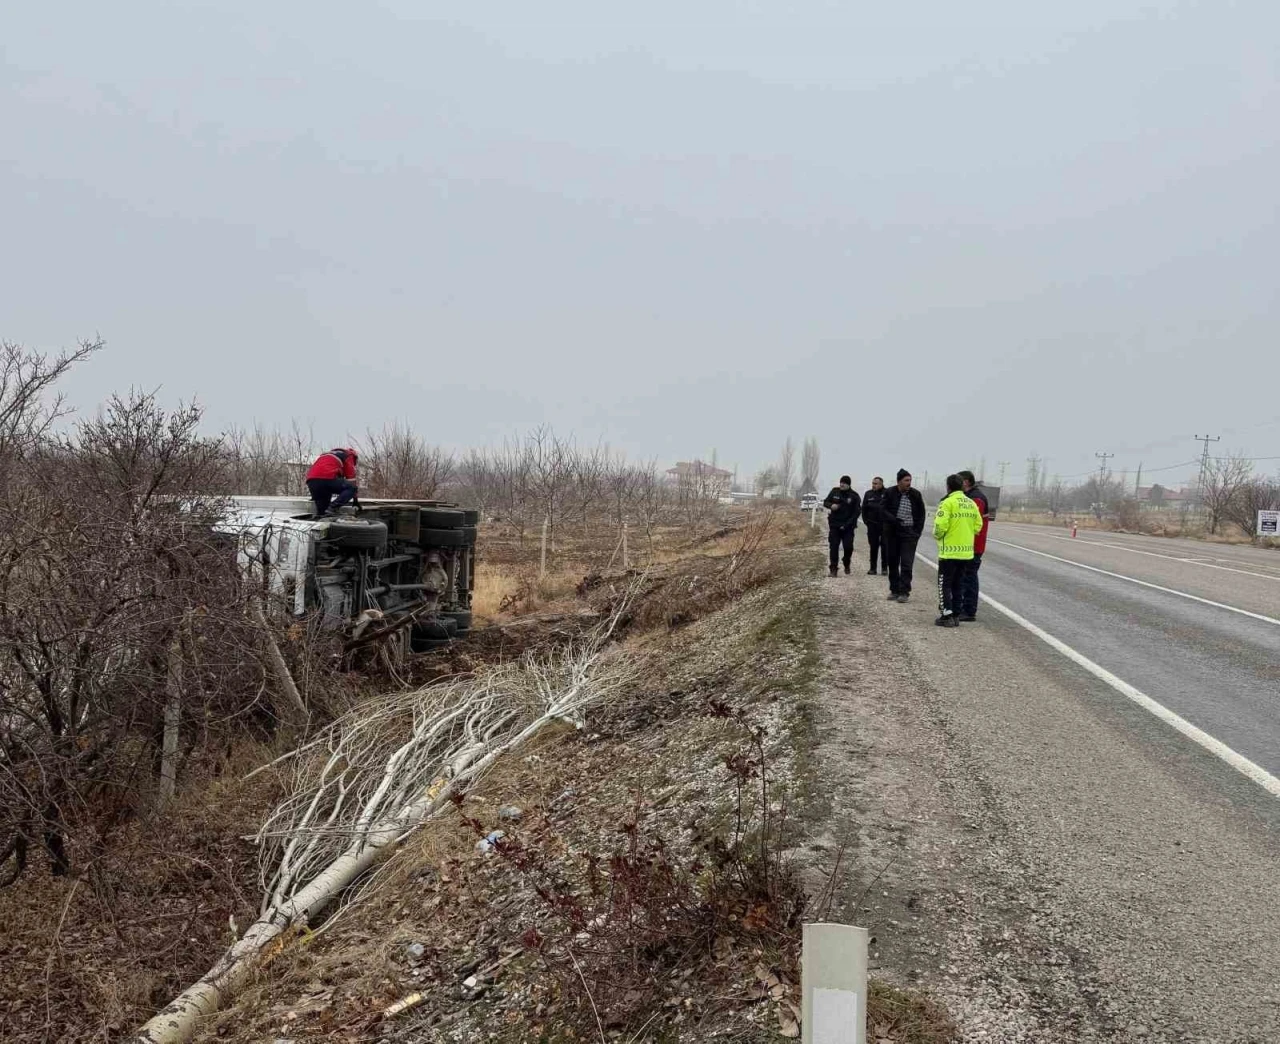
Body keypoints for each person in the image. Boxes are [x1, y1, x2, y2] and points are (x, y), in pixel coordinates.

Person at [933, 474, 983, 627]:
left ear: (948, 487)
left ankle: (946, 615)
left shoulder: (947, 503)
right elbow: (978, 526)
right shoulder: (971, 503)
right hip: (966, 552)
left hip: (949, 552)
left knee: (944, 584)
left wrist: (938, 535)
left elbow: (940, 526)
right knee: (958, 584)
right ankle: (955, 614)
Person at [880, 469, 925, 602]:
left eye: (910, 480)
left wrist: (917, 532)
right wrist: (894, 520)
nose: (909, 483)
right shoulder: (889, 493)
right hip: (892, 533)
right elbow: (882, 510)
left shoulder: (916, 494)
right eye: (906, 480)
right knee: (893, 562)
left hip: (909, 534)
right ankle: (894, 590)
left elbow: (921, 514)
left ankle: (904, 591)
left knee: (906, 563)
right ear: (899, 482)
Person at [958, 470, 989, 621]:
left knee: (969, 577)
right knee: (965, 576)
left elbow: (972, 524)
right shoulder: (970, 496)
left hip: (973, 545)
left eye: (959, 481)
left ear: (966, 481)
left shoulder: (976, 499)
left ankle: (969, 610)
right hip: (969, 544)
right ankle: (966, 607)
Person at [822, 475, 861, 577]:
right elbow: (825, 502)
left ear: (848, 484)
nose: (842, 484)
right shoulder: (835, 492)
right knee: (834, 547)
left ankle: (846, 562)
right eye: (841, 482)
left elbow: (856, 513)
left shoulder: (854, 496)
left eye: (844, 483)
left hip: (848, 527)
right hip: (835, 525)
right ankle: (833, 569)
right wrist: (831, 505)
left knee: (848, 547)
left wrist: (847, 525)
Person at [305, 447, 360, 517]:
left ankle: (322, 517)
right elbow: (351, 480)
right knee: (352, 488)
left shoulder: (325, 455)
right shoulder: (348, 455)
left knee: (323, 513)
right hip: (328, 478)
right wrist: (355, 500)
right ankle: (333, 507)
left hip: (312, 481)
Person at [861, 476, 888, 575]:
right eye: (873, 483)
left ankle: (884, 568)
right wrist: (866, 521)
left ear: (881, 484)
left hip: (885, 525)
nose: (874, 485)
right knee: (873, 547)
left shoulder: (887, 493)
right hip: (872, 525)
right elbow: (864, 509)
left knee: (885, 547)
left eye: (876, 484)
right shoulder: (868, 494)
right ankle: (873, 568)